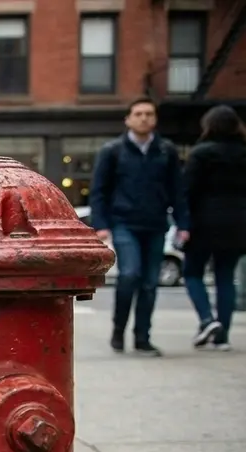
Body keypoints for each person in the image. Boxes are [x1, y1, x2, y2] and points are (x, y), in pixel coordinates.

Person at [89, 97, 190, 357]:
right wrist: (101, 225)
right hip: (124, 224)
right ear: (128, 119)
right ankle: (118, 330)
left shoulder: (166, 151)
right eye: (138, 113)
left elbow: (177, 191)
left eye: (149, 113)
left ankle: (142, 338)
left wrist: (183, 223)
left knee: (149, 283)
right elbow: (99, 191)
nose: (144, 118)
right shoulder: (112, 151)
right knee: (130, 274)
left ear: (155, 119)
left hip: (156, 224)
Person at [181, 104, 246, 351]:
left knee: (192, 272)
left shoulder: (201, 154)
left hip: (204, 222)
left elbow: (188, 190)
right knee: (225, 277)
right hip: (238, 223)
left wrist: (184, 223)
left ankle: (208, 319)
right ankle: (223, 336)